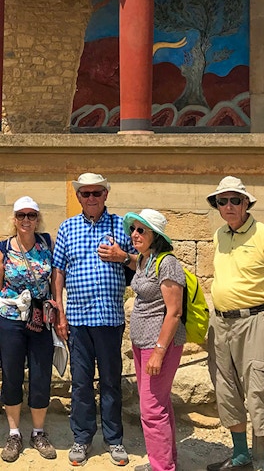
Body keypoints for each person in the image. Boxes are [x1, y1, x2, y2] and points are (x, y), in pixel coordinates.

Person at [51, 173, 136, 467]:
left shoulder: (121, 226)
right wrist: (60, 312)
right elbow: (58, 272)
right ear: (78, 198)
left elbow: (143, 262)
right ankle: (82, 437)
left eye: (96, 193)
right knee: (82, 383)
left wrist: (122, 256)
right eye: (85, 194)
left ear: (105, 195)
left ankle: (114, 440)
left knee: (112, 382)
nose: (91, 199)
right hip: (77, 318)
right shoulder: (67, 228)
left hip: (110, 318)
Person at [205, 176, 264, 471]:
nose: (228, 206)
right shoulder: (219, 235)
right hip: (222, 322)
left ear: (246, 203)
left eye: (235, 200)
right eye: (222, 201)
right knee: (226, 390)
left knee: (262, 392)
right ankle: (241, 455)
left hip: (254, 321)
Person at [123, 209, 186, 471]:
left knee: (150, 410)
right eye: (133, 229)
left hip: (159, 345)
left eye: (141, 230)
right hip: (143, 343)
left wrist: (159, 351)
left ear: (155, 236)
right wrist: (123, 256)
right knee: (159, 404)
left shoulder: (167, 263)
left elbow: (174, 312)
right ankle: (166, 460)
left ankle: (162, 467)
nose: (134, 234)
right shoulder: (144, 259)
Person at [0, 196, 56, 462]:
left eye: (31, 215)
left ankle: (37, 432)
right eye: (21, 215)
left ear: (37, 218)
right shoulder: (3, 249)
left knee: (40, 374)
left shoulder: (46, 244)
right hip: (10, 319)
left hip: (40, 319)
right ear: (14, 219)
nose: (26, 220)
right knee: (11, 375)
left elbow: (55, 279)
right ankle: (14, 433)